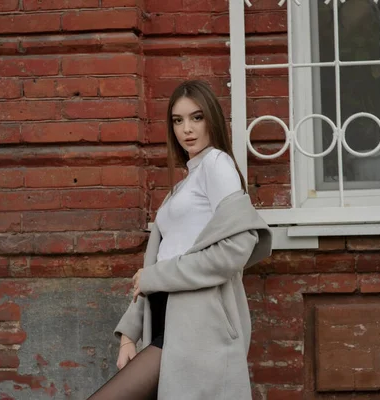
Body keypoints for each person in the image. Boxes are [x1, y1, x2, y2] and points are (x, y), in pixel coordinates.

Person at [87, 80, 272, 400]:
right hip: (164, 320)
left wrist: (154, 277)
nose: (187, 128)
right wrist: (129, 333)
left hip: (197, 324)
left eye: (196, 117)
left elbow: (235, 250)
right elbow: (157, 263)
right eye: (178, 120)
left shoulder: (217, 165)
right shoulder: (182, 186)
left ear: (212, 118)